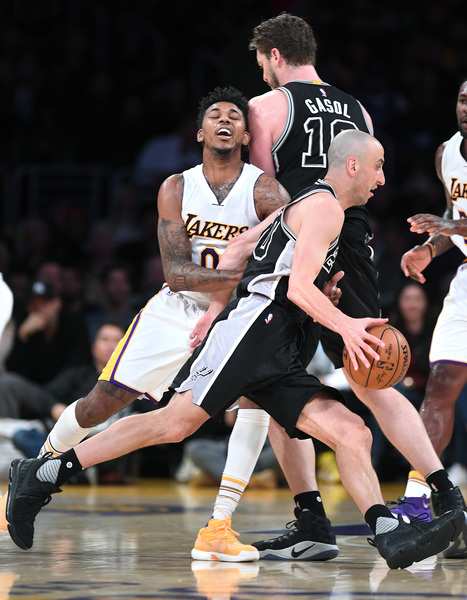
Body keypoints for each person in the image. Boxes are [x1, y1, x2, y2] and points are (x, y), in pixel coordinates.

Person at [5, 130, 465, 571]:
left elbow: (251, 255)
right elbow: (297, 289)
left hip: (279, 343)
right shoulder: (325, 207)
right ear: (352, 165)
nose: (382, 178)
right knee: (173, 424)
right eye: (378, 167)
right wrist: (345, 326)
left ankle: (388, 532)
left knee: (353, 432)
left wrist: (315, 296)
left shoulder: (312, 205)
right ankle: (45, 473)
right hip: (251, 332)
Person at [190, 12, 465, 563]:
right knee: (373, 375)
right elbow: (366, 182)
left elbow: (265, 197)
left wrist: (242, 258)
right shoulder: (357, 108)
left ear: (273, 55)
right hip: (353, 239)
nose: (261, 72)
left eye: (261, 62)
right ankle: (444, 493)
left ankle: (312, 520)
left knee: (273, 383)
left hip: (299, 241)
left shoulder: (266, 107)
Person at [0, 86, 291, 545]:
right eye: (215, 114)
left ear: (245, 135)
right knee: (99, 403)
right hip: (177, 310)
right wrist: (240, 274)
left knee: (255, 405)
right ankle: (36, 475)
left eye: (235, 116)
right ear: (200, 132)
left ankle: (220, 523)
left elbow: (290, 258)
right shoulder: (176, 187)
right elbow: (176, 273)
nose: (225, 120)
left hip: (238, 315)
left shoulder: (266, 191)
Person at [399, 75, 467, 558]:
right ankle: (417, 500)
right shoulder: (448, 153)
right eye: (463, 99)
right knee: (440, 383)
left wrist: (449, 225)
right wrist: (429, 247)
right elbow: (452, 216)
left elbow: (453, 220)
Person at [5, 280, 92, 385]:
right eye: (34, 305)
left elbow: (81, 365)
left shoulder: (74, 324)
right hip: (34, 390)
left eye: (44, 303)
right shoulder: (25, 328)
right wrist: (22, 337)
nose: (39, 310)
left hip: (68, 389)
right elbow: (14, 372)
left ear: (57, 303)